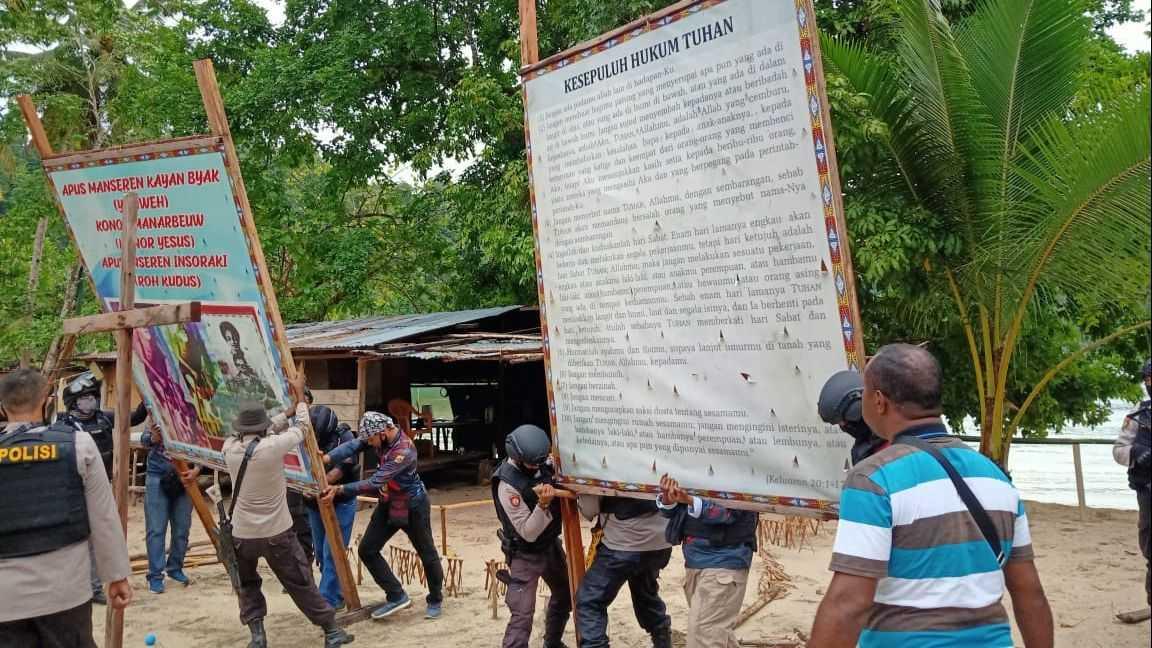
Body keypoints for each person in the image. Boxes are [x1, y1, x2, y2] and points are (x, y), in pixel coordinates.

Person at [808, 343, 1053, 648]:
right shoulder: (996, 477)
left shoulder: (874, 479)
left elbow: (848, 603)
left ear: (879, 401)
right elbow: (1030, 593)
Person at [0, 368, 133, 646]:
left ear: (3, 407)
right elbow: (104, 518)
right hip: (65, 592)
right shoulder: (77, 444)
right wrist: (116, 576)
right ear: (48, 403)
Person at [222, 401, 353, 648]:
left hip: (242, 534)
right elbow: (303, 427)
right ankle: (331, 631)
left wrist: (285, 414)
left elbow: (263, 431)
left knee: (247, 584)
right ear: (263, 429)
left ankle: (258, 637)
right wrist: (301, 402)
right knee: (300, 582)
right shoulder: (273, 447)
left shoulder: (230, 449)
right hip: (276, 532)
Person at [321, 412, 444, 621]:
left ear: (383, 433)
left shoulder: (404, 451)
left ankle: (435, 598)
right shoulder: (377, 434)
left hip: (413, 504)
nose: (369, 443)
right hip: (389, 502)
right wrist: (327, 457)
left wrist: (339, 489)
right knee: (367, 550)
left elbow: (374, 482)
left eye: (371, 440)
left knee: (426, 552)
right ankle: (396, 595)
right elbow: (353, 446)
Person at [56, 370, 147, 605]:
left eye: (92, 397)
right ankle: (82, 585)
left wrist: (148, 393)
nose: (90, 401)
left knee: (102, 535)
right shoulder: (63, 425)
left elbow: (135, 417)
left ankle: (96, 587)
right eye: (85, 398)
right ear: (74, 402)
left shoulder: (104, 418)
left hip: (102, 486)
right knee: (78, 538)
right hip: (72, 489)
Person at [491, 424, 571, 648]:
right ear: (516, 457)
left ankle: (552, 642)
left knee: (565, 595)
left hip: (550, 546)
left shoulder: (543, 462)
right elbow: (528, 532)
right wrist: (543, 505)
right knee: (522, 613)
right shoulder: (507, 484)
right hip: (525, 553)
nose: (536, 467)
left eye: (540, 461)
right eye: (531, 464)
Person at [657, 474, 757, 648]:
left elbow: (728, 513)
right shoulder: (692, 464)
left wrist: (689, 500)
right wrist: (669, 498)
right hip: (695, 561)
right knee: (714, 634)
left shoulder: (739, 469)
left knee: (704, 635)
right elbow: (672, 512)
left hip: (725, 560)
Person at [575, 494, 673, 648]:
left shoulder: (599, 468)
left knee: (590, 601)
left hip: (623, 543)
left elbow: (589, 509)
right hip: (661, 541)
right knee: (645, 593)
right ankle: (663, 642)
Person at [306, 405, 359, 609]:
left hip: (340, 502)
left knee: (332, 550)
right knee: (320, 552)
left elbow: (340, 469)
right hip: (313, 502)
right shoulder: (303, 435)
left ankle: (328, 600)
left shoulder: (344, 437)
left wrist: (317, 484)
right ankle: (337, 592)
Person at [140, 419, 201, 594]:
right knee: (156, 529)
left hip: (185, 475)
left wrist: (197, 470)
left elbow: (204, 446)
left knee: (182, 527)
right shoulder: (156, 413)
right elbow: (145, 440)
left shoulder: (194, 415)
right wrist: (154, 438)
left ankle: (175, 568)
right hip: (158, 475)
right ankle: (155, 576)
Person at [1113, 358, 1151, 620]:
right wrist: (1137, 453)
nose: (1150, 384)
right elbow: (1118, 450)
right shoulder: (1139, 413)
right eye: (1148, 379)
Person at [818, 369, 887, 465]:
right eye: (840, 424)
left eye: (846, 422)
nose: (844, 427)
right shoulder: (866, 447)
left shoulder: (889, 449)